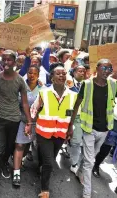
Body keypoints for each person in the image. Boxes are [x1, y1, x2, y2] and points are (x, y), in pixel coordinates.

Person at [67, 59, 117, 198]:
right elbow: (77, 105)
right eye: (104, 68)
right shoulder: (87, 84)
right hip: (89, 129)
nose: (107, 71)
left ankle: (80, 171)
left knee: (91, 156)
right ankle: (87, 193)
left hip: (105, 130)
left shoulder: (113, 84)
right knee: (90, 161)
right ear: (97, 68)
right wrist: (70, 126)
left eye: (109, 69)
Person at [0, 49, 32, 198]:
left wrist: (29, 121)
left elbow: (25, 103)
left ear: (14, 62)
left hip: (14, 119)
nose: (6, 62)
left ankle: (4, 163)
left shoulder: (20, 80)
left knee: (8, 147)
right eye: (4, 59)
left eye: (9, 60)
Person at [30, 66, 77, 198]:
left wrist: (70, 128)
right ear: (52, 77)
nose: (61, 76)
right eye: (58, 74)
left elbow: (73, 114)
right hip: (43, 133)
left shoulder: (73, 95)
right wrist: (29, 124)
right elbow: (34, 110)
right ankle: (45, 190)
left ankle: (41, 165)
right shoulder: (44, 92)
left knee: (49, 158)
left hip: (60, 134)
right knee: (49, 162)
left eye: (64, 73)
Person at [12, 65, 42, 187]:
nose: (32, 75)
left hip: (37, 123)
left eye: (35, 73)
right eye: (30, 73)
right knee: (19, 145)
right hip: (22, 120)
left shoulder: (43, 89)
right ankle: (16, 172)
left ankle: (22, 160)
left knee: (28, 145)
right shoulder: (20, 85)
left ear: (38, 75)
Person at [67, 65, 87, 175]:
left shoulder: (88, 85)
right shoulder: (67, 82)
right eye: (80, 71)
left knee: (76, 142)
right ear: (74, 72)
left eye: (84, 71)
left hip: (79, 117)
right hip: (66, 114)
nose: (82, 73)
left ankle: (74, 163)